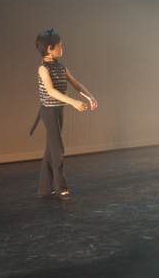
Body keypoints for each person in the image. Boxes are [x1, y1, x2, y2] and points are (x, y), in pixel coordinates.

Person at [35, 30, 98, 200]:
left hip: (58, 109)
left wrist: (89, 97)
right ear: (49, 48)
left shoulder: (61, 66)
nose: (62, 47)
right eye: (59, 44)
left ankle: (44, 189)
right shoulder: (43, 68)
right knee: (57, 149)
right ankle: (61, 187)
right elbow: (51, 91)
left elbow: (76, 83)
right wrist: (73, 102)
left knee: (51, 148)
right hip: (48, 110)